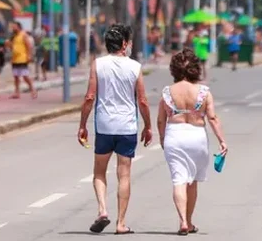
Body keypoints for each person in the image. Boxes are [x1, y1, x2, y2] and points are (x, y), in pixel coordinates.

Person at [77, 24, 152, 235]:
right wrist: (147, 126)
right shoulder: (135, 67)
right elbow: (143, 100)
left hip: (104, 126)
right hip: (127, 126)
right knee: (124, 174)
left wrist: (82, 125)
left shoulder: (98, 64)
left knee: (99, 171)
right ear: (125, 44)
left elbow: (90, 97)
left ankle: (102, 210)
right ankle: (120, 223)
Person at [157, 49, 228, 235]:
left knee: (178, 180)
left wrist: (163, 138)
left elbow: (160, 120)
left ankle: (182, 221)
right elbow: (212, 118)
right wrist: (222, 141)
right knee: (193, 182)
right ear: (195, 69)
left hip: (175, 135)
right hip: (196, 136)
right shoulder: (204, 92)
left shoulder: (167, 92)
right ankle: (189, 221)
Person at [7, 21, 37, 99]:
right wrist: (8, 44)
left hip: (22, 58)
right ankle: (17, 92)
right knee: (16, 77)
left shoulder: (23, 35)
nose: (13, 28)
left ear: (19, 27)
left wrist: (29, 56)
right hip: (14, 58)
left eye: (14, 27)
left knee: (25, 76)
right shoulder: (13, 36)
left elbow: (29, 46)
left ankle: (33, 90)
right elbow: (11, 47)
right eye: (12, 27)